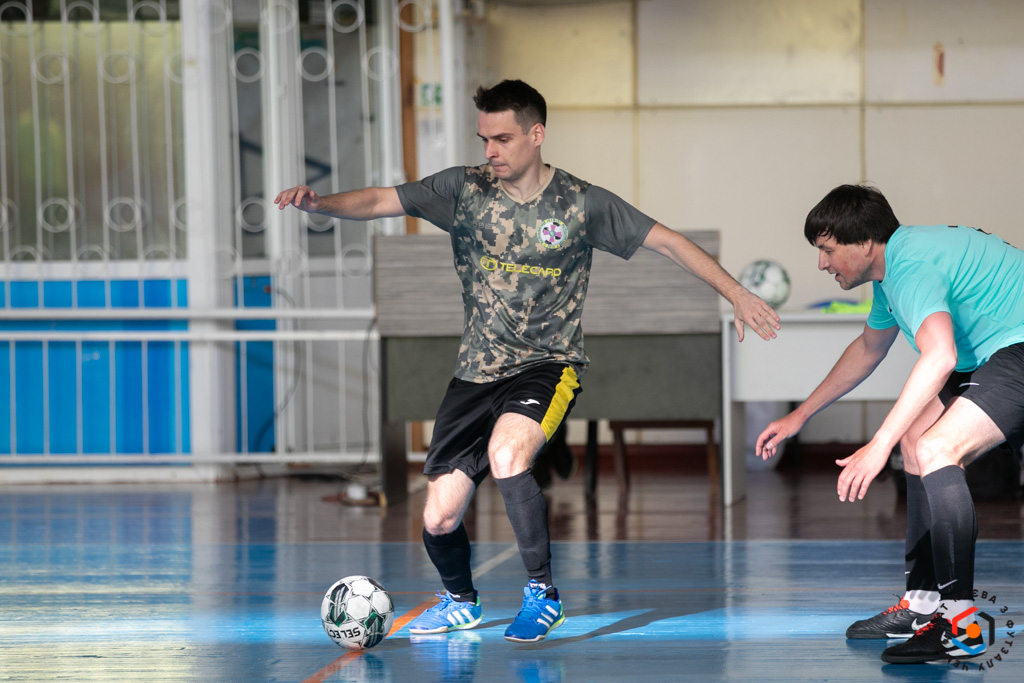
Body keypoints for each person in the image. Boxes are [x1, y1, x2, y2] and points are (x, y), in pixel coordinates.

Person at [277, 79, 780, 643]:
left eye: (503, 139)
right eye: (483, 139)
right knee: (439, 516)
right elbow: (380, 201)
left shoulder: (581, 202)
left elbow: (669, 242)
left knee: (507, 455)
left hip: (547, 364)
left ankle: (543, 595)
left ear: (536, 135)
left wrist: (737, 293)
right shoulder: (462, 190)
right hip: (474, 373)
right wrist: (321, 205)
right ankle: (460, 602)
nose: (490, 151)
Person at [755, 184, 1024, 664]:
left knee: (936, 448)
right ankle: (922, 605)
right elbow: (867, 349)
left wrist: (878, 443)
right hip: (995, 353)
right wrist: (799, 415)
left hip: (1016, 348)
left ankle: (960, 626)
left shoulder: (910, 268)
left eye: (827, 249)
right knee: (916, 442)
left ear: (864, 243)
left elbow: (940, 356)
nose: (821, 263)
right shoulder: (892, 272)